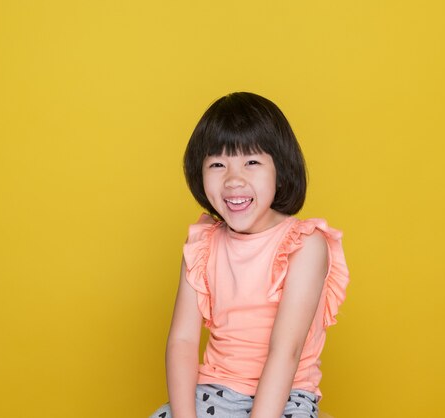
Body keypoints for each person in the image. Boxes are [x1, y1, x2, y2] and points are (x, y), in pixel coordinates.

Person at [149, 92, 349, 418]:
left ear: (281, 171)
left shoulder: (305, 245)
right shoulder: (202, 245)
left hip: (285, 397)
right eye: (217, 164)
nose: (234, 179)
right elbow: (182, 341)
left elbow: (286, 351)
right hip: (214, 392)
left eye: (252, 162)